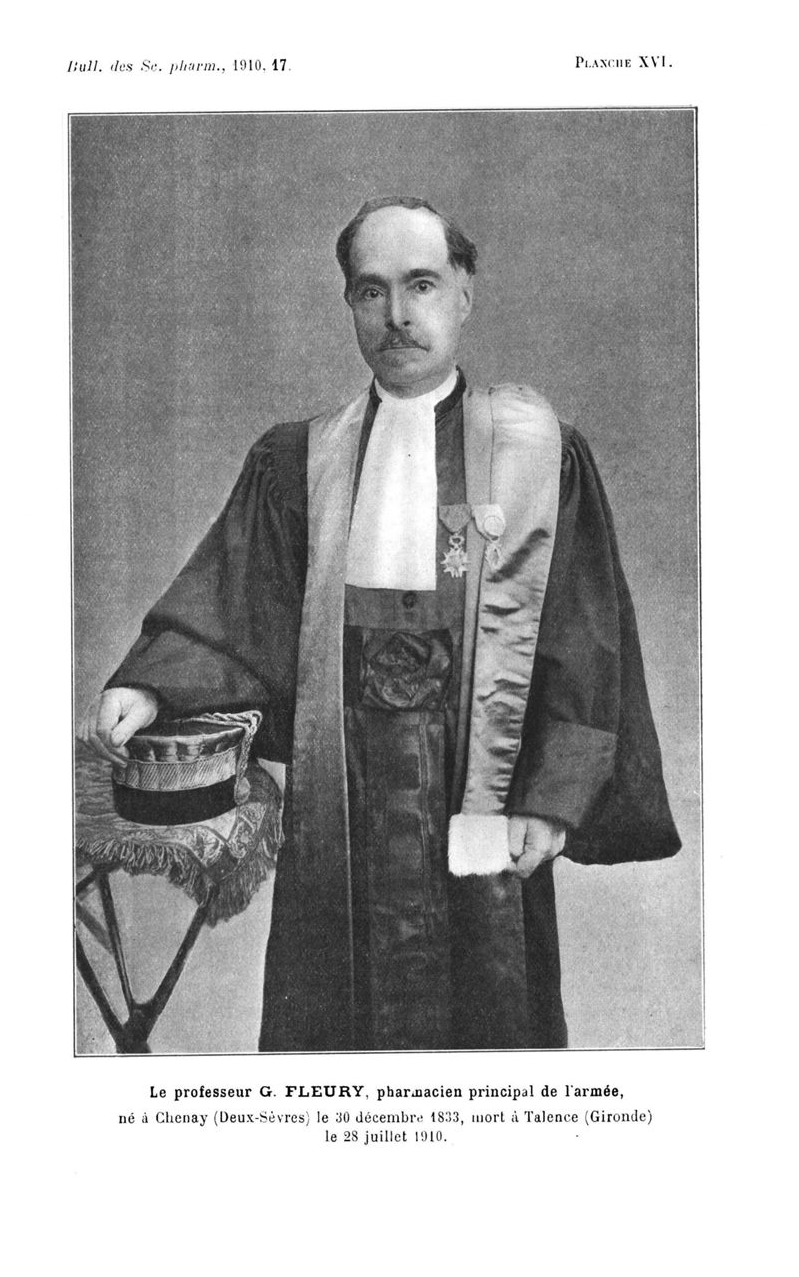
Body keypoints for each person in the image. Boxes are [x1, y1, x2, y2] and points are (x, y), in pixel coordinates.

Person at [79, 195, 681, 1051]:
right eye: (372, 291)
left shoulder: (540, 455)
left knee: (491, 1030)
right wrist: (151, 683)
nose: (397, 314)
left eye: (421, 285)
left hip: (479, 792)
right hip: (345, 800)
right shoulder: (297, 461)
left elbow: (585, 642)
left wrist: (553, 801)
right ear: (350, 304)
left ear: (464, 294)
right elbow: (234, 605)